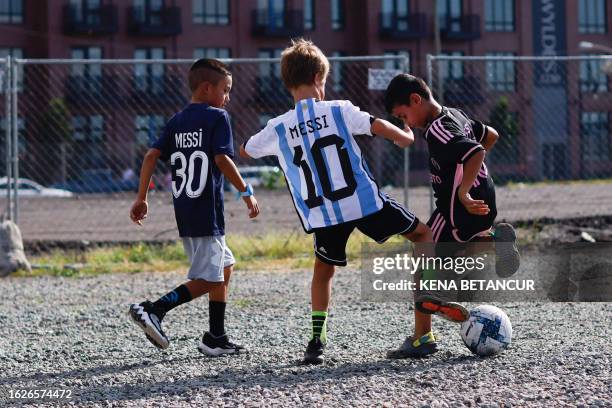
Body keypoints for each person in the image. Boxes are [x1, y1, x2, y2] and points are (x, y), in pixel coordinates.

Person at [240, 39, 468, 364]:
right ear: (320, 78)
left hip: (323, 214)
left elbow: (247, 149)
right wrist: (404, 135)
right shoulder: (339, 109)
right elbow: (379, 126)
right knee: (423, 235)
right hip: (363, 203)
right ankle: (423, 331)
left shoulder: (278, 127)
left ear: (288, 82)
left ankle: (316, 342)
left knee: (323, 271)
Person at [128, 58, 259, 356]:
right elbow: (223, 160)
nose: (227, 97)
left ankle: (215, 337)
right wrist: (246, 191)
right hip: (207, 212)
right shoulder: (217, 118)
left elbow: (150, 156)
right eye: (225, 90)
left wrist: (141, 198)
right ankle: (155, 309)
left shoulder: (177, 120)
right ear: (206, 87)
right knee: (208, 278)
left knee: (225, 266)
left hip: (185, 210)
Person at [383, 73, 521, 358]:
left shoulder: (437, 129)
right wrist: (475, 179)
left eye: (403, 115)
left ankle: (423, 335)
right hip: (484, 202)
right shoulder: (456, 115)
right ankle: (495, 243)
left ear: (415, 100)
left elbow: (475, 151)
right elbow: (491, 136)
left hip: (458, 207)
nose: (405, 122)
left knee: (423, 248)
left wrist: (464, 190)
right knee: (456, 248)